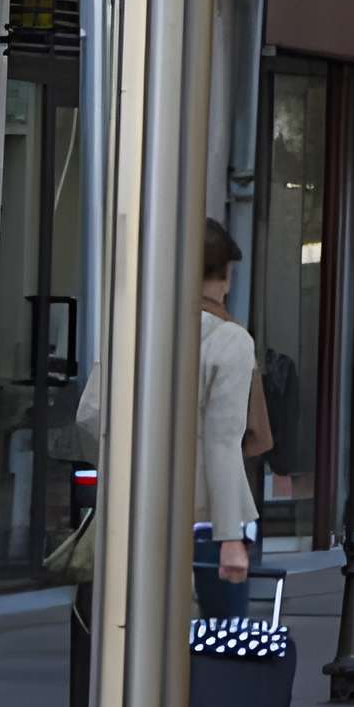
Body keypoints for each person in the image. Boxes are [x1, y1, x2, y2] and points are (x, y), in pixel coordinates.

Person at [86, 216, 265, 615]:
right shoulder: (231, 340)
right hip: (206, 519)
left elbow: (92, 413)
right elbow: (223, 442)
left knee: (140, 636)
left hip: (135, 511)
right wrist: (231, 537)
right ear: (223, 275)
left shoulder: (130, 329)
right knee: (220, 643)